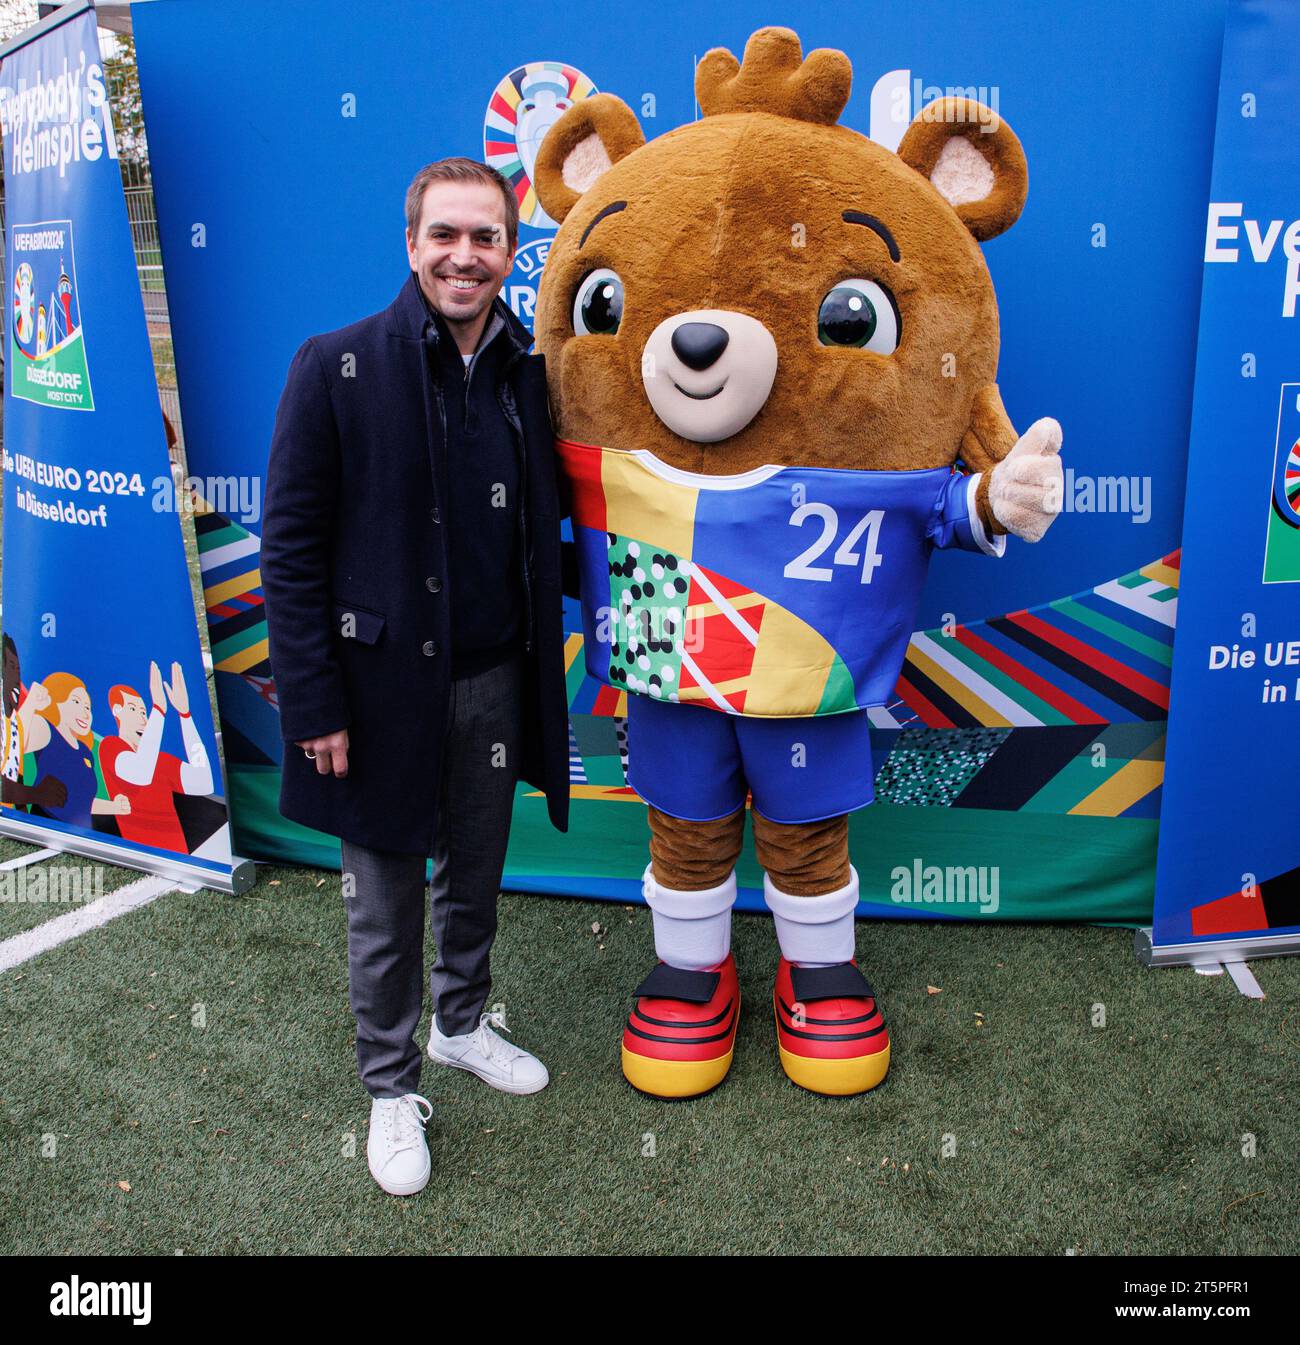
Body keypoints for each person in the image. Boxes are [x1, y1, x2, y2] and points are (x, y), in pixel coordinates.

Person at [261, 158, 570, 1198]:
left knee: (473, 871)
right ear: (412, 244)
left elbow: (542, 532)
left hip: (494, 679)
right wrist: (314, 701)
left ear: (508, 253)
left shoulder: (530, 372)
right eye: (446, 235)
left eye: (485, 238)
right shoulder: (335, 364)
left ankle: (463, 1023)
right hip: (376, 692)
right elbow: (291, 551)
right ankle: (390, 1085)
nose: (464, 256)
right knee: (383, 902)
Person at [99, 661, 215, 854]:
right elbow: (141, 773)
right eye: (133, 709)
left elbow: (204, 782)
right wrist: (158, 710)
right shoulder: (111, 747)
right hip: (144, 855)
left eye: (144, 712)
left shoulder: (160, 760)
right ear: (117, 711)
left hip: (179, 856)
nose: (142, 718)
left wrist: (185, 715)